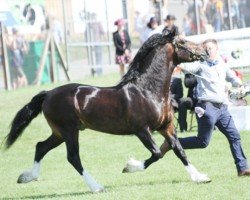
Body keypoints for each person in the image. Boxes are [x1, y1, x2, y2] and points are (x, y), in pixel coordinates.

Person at [163, 39, 250, 177]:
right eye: (205, 48)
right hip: (206, 108)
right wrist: (175, 59)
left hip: (222, 109)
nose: (207, 50)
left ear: (216, 50)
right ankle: (172, 143)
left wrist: (239, 84)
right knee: (203, 142)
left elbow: (233, 78)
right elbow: (186, 67)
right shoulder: (200, 65)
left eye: (210, 48)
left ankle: (242, 169)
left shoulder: (222, 64)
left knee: (234, 136)